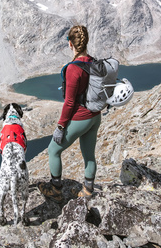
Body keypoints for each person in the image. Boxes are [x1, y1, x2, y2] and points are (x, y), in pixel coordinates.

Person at [37, 25, 102, 201]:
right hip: (95, 116)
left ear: (70, 44)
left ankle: (56, 190)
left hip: (81, 118)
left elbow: (70, 102)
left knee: (53, 150)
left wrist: (60, 126)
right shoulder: (92, 61)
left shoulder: (74, 68)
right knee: (89, 155)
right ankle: (88, 191)